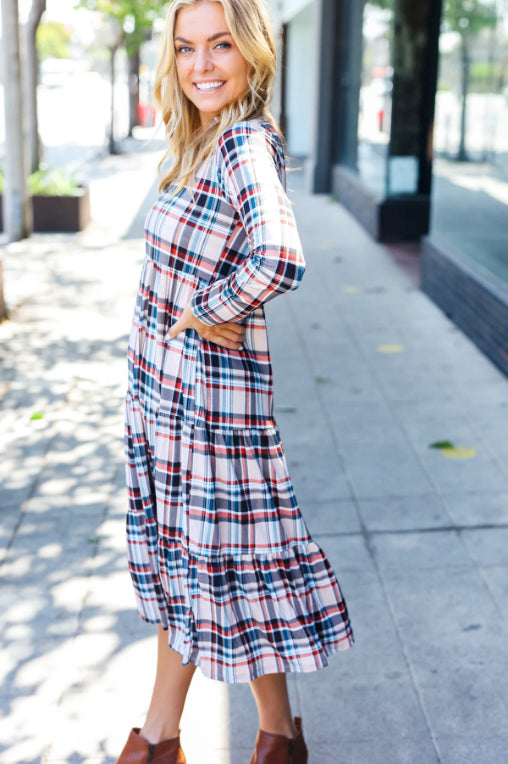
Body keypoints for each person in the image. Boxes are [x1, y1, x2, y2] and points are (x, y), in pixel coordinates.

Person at [118, 1, 354, 762]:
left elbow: (280, 256)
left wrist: (202, 308)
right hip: (169, 405)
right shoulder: (199, 143)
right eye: (187, 48)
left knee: (198, 579)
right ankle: (280, 739)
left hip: (210, 415)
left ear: (252, 50)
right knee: (235, 577)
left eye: (221, 45)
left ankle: (156, 742)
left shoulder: (245, 142)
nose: (203, 65)